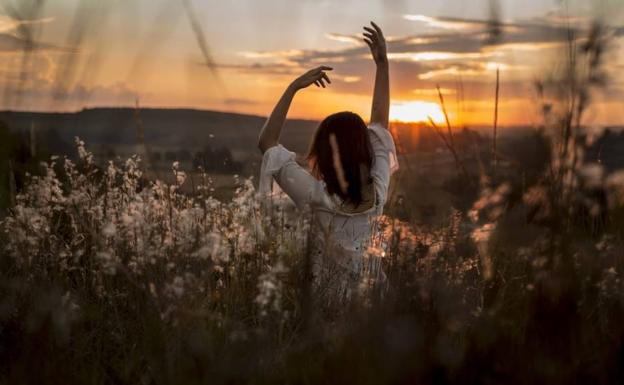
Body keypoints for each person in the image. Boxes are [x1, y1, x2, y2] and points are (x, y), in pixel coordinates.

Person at [257, 22, 398, 302]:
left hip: (327, 311)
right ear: (365, 152)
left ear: (323, 153)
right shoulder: (379, 191)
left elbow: (267, 144)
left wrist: (293, 87)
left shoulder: (314, 196)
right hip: (374, 310)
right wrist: (383, 65)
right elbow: (380, 122)